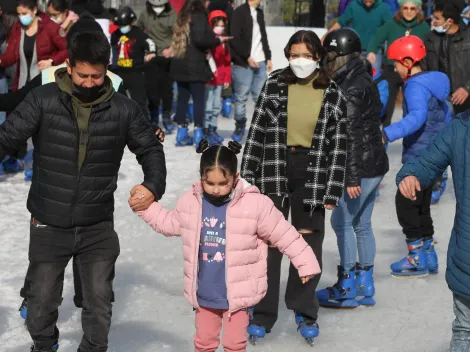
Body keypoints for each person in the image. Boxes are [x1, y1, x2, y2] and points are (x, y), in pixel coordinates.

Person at [0, 27, 166, 351]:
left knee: (99, 307)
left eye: (97, 76)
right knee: (39, 307)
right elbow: (6, 137)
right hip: (49, 220)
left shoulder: (123, 109)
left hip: (97, 224)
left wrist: (152, 184)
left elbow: (150, 149)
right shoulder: (43, 100)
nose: (89, 83)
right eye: (83, 76)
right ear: (70, 67)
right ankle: (44, 345)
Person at [135, 139, 321, 352]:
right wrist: (145, 207)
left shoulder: (255, 205)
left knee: (234, 344)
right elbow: (168, 223)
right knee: (204, 343)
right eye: (209, 183)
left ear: (235, 178)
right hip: (205, 292)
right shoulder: (191, 203)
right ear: (201, 176)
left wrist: (305, 263)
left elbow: (284, 234)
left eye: (223, 183)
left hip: (238, 296)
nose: (215, 189)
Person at [241, 30, 347, 345]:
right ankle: (262, 313)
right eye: (295, 54)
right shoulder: (274, 83)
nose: (301, 60)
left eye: (307, 55)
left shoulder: (332, 91)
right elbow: (256, 130)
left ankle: (304, 309)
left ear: (318, 57)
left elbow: (338, 144)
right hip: (273, 167)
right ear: (288, 55)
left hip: (312, 172)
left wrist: (333, 189)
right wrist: (246, 178)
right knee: (268, 244)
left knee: (306, 244)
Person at [316, 28, 388, 308]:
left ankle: (347, 285)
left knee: (342, 222)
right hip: (374, 163)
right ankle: (365, 284)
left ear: (341, 56)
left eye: (329, 56)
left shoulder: (351, 88)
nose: (326, 62)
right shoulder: (360, 77)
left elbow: (352, 135)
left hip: (361, 168)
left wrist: (350, 176)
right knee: (362, 224)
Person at [396, 108, 470, 352]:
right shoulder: (459, 129)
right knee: (465, 330)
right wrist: (412, 174)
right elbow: (427, 161)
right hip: (467, 257)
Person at [383, 35, 449, 277]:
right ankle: (429, 253)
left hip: (419, 155)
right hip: (435, 154)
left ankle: (416, 255)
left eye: (397, 64)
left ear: (409, 61)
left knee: (406, 202)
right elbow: (446, 117)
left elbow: (417, 118)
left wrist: (386, 134)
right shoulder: (436, 83)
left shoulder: (415, 86)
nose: (396, 69)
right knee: (422, 206)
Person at [170, 0, 230, 147]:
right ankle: (198, 135)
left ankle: (181, 134)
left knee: (182, 100)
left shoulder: (183, 14)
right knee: (199, 101)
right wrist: (217, 40)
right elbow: (200, 40)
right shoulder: (200, 15)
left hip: (179, 63)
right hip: (195, 65)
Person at [367, 0, 430, 128]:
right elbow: (377, 37)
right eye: (405, 8)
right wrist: (371, 51)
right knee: (388, 105)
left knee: (412, 104)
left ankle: (411, 137)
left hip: (413, 71)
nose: (408, 11)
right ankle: (383, 137)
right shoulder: (392, 24)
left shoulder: (423, 26)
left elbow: (430, 45)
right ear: (400, 9)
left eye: (412, 8)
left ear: (418, 10)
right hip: (392, 69)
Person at [0, 0, 67, 91]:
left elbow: (66, 49)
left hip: (44, 81)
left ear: (34, 10)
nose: (21, 17)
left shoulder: (50, 27)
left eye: (24, 13)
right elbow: (11, 55)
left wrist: (51, 61)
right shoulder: (18, 28)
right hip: (22, 83)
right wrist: (1, 60)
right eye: (19, 14)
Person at [230, 0, 272, 142]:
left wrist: (268, 58)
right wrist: (247, 57)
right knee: (241, 98)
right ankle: (240, 125)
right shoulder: (239, 12)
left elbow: (263, 36)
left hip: (260, 62)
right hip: (243, 63)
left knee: (261, 98)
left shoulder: (259, 13)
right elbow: (235, 40)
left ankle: (261, 128)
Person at [423, 1, 470, 115]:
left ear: (449, 21)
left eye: (437, 18)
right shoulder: (430, 38)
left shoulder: (468, 38)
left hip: (465, 99)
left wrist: (467, 88)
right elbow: (423, 68)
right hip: (440, 100)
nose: (433, 21)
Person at [137, 0, 177, 132]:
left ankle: (166, 116)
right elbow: (137, 31)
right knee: (151, 89)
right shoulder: (145, 14)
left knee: (166, 90)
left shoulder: (172, 15)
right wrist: (144, 48)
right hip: (151, 56)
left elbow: (179, 35)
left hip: (167, 57)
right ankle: (154, 115)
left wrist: (171, 49)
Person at [111, 6, 157, 119]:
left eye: (124, 25)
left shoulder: (138, 33)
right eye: (120, 25)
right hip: (119, 72)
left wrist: (152, 52)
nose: (122, 28)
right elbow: (112, 51)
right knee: (118, 102)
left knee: (139, 102)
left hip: (135, 72)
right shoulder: (115, 35)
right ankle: (122, 126)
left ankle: (144, 126)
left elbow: (150, 43)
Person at [325, 0, 392, 71]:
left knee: (373, 77)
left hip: (375, 52)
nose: (368, 3)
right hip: (355, 51)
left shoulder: (384, 8)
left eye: (370, 1)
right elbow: (340, 23)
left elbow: (390, 29)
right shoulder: (353, 6)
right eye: (366, 1)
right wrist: (326, 36)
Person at [204, 10, 231, 146]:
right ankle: (206, 130)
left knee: (216, 106)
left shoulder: (224, 42)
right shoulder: (208, 41)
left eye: (222, 25)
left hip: (220, 79)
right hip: (209, 79)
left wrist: (227, 78)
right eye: (217, 25)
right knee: (208, 106)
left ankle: (213, 129)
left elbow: (227, 62)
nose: (220, 28)